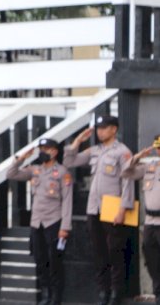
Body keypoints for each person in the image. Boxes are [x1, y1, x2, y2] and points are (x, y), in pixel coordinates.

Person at [63, 115, 134, 305]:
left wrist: (123, 208)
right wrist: (78, 141)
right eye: (98, 128)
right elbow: (70, 161)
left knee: (114, 252)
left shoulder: (122, 152)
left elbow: (128, 180)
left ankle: (116, 292)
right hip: (93, 209)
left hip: (112, 210)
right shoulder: (95, 150)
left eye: (104, 128)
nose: (99, 131)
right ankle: (103, 290)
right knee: (99, 252)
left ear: (114, 129)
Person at [6, 138, 73, 305]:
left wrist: (65, 227)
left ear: (55, 152)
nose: (43, 152)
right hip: (37, 223)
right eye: (41, 149)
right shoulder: (35, 170)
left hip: (54, 222)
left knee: (55, 261)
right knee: (40, 259)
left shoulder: (63, 172)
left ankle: (56, 297)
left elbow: (67, 201)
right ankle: (45, 294)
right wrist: (21, 158)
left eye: (47, 149)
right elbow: (11, 174)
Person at [122, 134, 160, 305]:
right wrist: (137, 157)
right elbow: (125, 172)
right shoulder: (150, 167)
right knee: (151, 259)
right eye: (158, 147)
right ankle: (158, 293)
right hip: (151, 223)